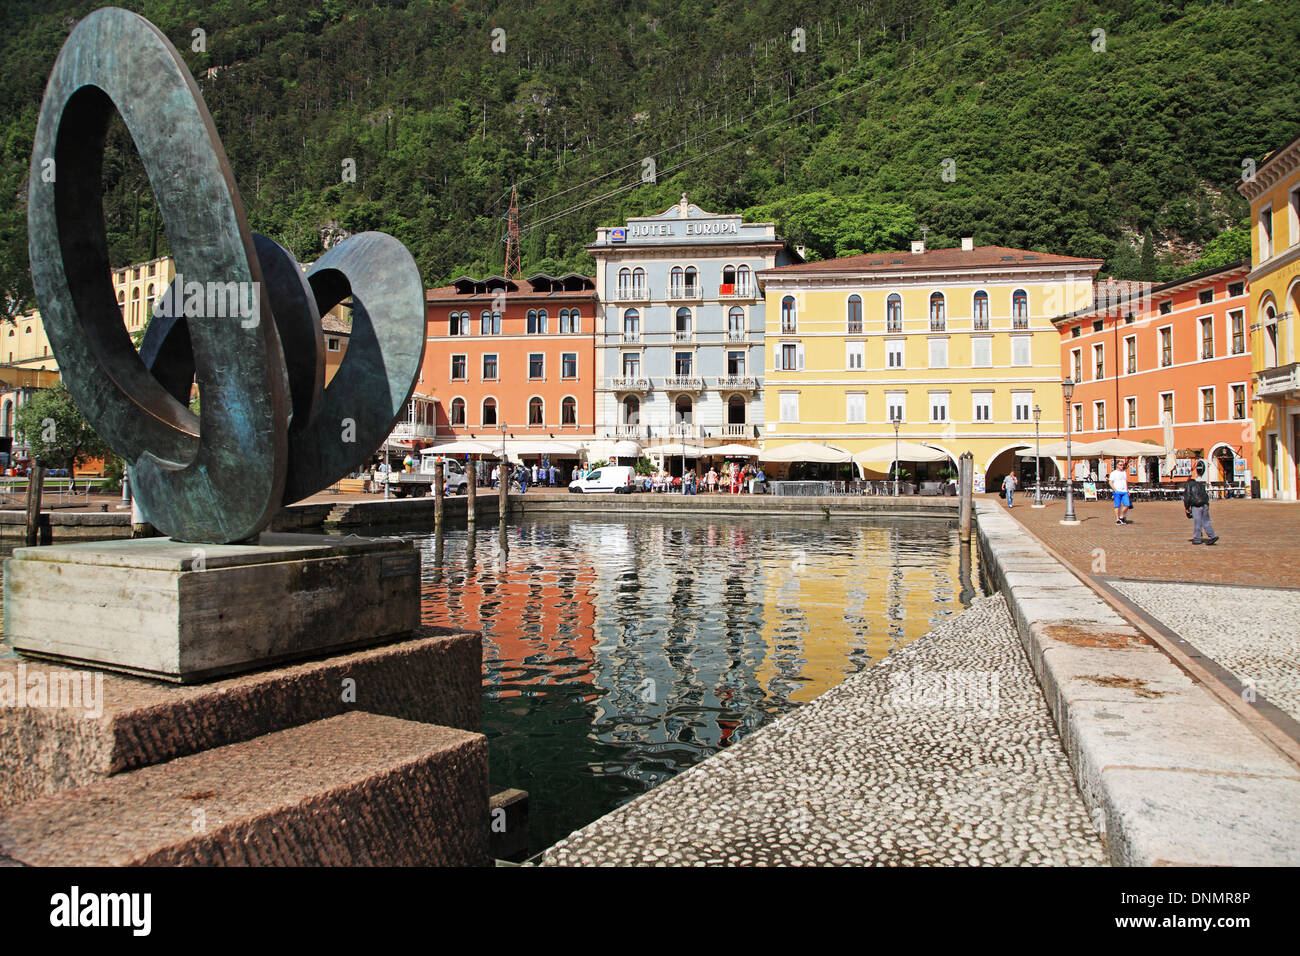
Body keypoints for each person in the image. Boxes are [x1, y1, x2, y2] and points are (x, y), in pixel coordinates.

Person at [1183, 460, 1218, 545]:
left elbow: (1187, 497)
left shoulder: (1188, 485)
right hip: (1205, 503)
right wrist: (1207, 504)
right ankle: (1213, 535)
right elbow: (1206, 495)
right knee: (1206, 521)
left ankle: (1197, 538)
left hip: (1196, 505)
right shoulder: (1200, 485)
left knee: (1197, 521)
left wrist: (1187, 508)